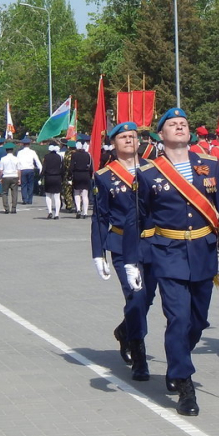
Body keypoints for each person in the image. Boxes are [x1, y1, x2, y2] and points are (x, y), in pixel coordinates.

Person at [125, 108, 219, 416]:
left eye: (183, 124)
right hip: (168, 252)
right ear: (161, 135)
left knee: (198, 321)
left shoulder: (210, 166)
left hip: (204, 251)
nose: (179, 127)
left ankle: (177, 359)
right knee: (179, 319)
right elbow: (137, 219)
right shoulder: (149, 173)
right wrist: (132, 261)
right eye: (172, 124)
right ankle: (184, 383)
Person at [92, 122, 159, 382]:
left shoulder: (155, 170)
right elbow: (99, 217)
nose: (130, 140)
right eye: (123, 137)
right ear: (114, 143)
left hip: (154, 244)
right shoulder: (105, 176)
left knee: (146, 299)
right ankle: (139, 355)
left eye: (133, 136)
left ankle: (124, 330)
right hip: (122, 245)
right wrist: (98, 253)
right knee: (136, 296)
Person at [69, 142, 93, 219]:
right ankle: (85, 212)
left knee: (76, 193)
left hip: (77, 174)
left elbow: (71, 166)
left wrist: (70, 176)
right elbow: (91, 167)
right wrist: (89, 175)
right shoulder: (88, 155)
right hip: (86, 174)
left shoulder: (74, 155)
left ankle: (78, 209)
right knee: (85, 195)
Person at [41, 142, 65, 219]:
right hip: (57, 177)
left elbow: (44, 168)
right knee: (57, 196)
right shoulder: (60, 157)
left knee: (48, 195)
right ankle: (57, 214)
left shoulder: (46, 157)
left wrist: (41, 177)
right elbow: (63, 169)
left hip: (48, 177)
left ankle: (50, 211)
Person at [16, 137, 41, 204]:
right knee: (30, 185)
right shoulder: (32, 152)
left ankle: (24, 199)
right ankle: (30, 199)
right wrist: (40, 169)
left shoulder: (20, 153)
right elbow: (37, 161)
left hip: (22, 170)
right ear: (29, 144)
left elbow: (17, 162)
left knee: (23, 185)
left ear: (23, 144)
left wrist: (17, 171)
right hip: (30, 169)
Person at [0, 142, 21, 214]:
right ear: (13, 150)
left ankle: (6, 208)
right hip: (14, 176)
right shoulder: (16, 159)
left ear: (6, 151)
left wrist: (0, 178)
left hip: (6, 176)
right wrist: (19, 179)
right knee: (14, 193)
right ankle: (14, 208)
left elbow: (1, 170)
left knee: (4, 193)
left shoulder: (3, 159)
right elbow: (19, 170)